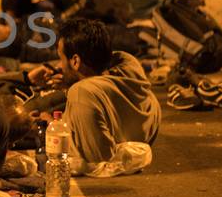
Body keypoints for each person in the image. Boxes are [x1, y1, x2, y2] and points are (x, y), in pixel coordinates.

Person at [56, 17, 160, 168]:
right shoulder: (129, 66)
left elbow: (97, 159)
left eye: (60, 58)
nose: (59, 66)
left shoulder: (82, 93)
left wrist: (55, 128)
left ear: (75, 61)